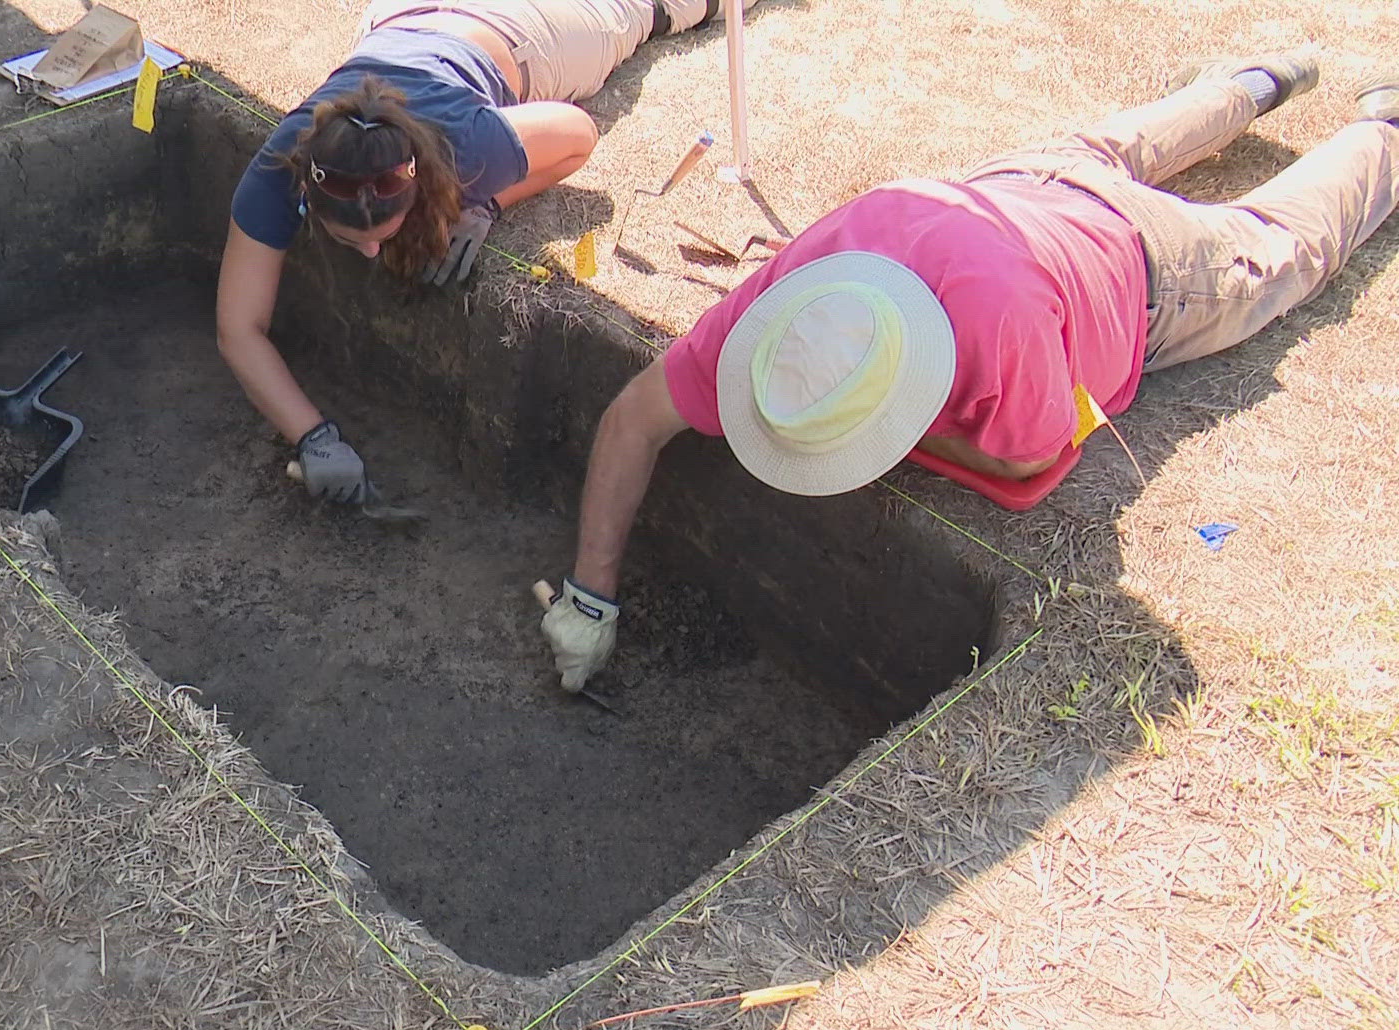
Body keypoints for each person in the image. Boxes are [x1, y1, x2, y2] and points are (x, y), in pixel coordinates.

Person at [540, 56, 1399, 691]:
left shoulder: (1004, 336)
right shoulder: (789, 303)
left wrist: (907, 436)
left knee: (1281, 247)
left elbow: (1031, 454)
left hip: (1147, 271)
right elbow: (634, 418)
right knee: (1110, 146)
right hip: (1015, 189)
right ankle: (1254, 83)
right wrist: (591, 595)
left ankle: (1382, 133)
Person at [219, 0, 760, 504]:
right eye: (349, 237)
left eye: (383, 233)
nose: (369, 253)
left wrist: (488, 205)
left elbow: (578, 134)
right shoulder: (280, 166)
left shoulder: (471, 149)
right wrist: (313, 437)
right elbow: (238, 328)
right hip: (407, 16)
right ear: (306, 190)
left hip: (522, 28)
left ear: (422, 185)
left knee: (641, 11)